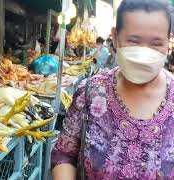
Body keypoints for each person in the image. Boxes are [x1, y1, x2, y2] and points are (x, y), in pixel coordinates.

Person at [52, 0, 174, 179]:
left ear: (168, 41)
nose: (144, 53)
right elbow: (64, 155)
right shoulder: (90, 92)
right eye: (134, 41)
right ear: (115, 37)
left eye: (156, 43)